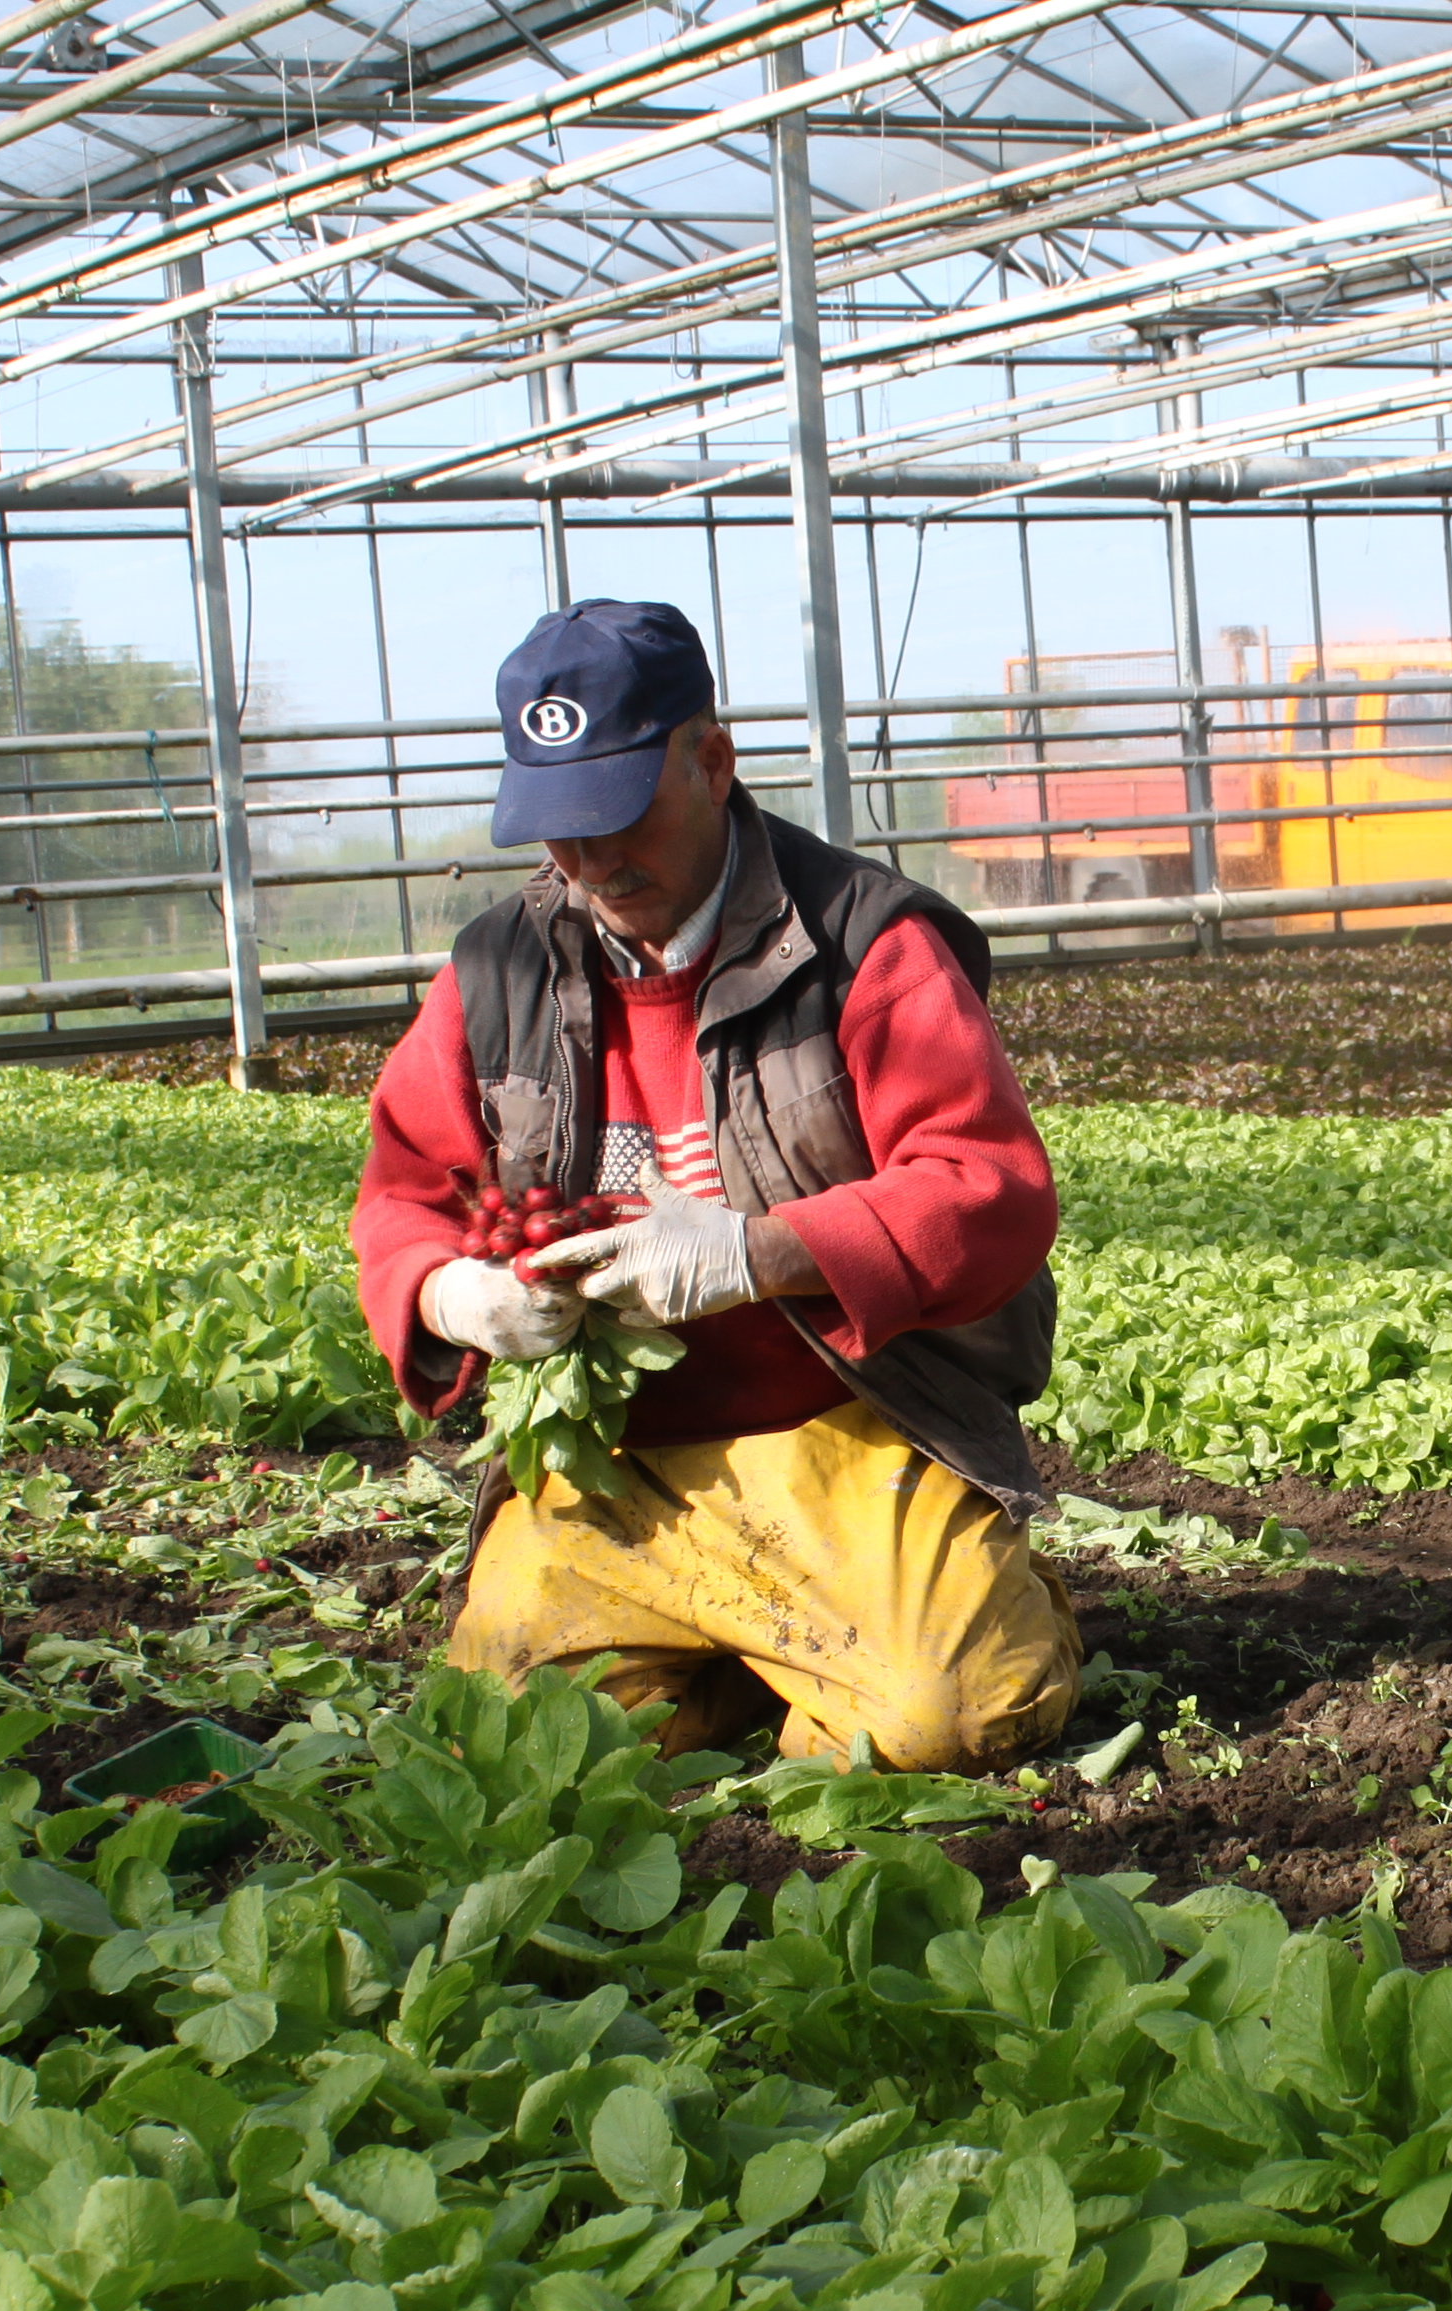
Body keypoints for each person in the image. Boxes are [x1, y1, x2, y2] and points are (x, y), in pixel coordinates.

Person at [349, 599, 1082, 1768]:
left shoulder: (859, 944)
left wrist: (756, 1253)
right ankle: (741, 1663)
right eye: (557, 830)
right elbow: (401, 1195)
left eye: (617, 814)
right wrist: (448, 1295)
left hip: (843, 1436)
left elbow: (986, 1189)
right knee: (499, 1744)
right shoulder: (499, 970)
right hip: (614, 1472)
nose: (589, 863)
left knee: (953, 1714)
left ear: (713, 761)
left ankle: (937, 1600)